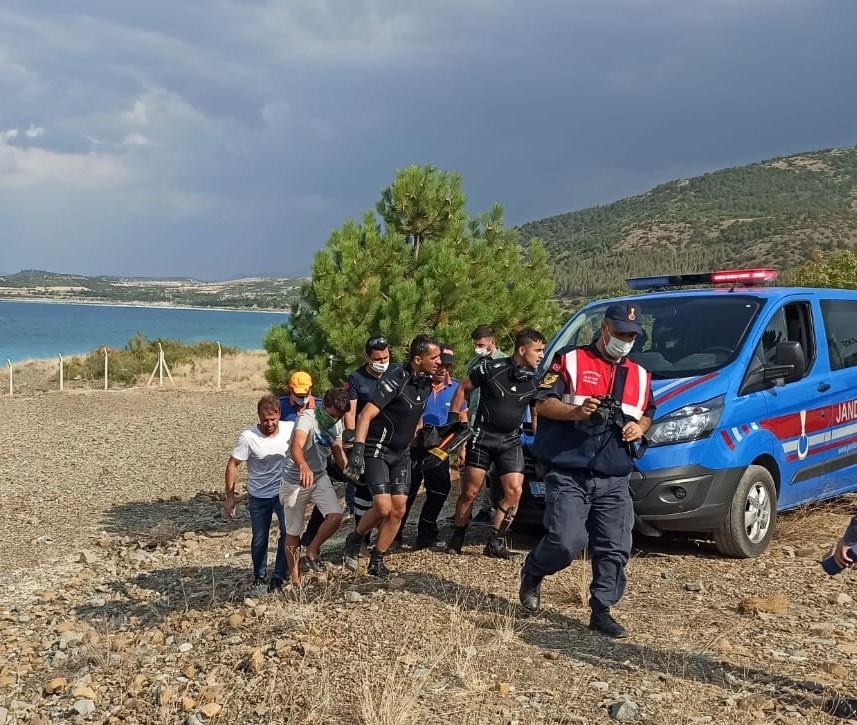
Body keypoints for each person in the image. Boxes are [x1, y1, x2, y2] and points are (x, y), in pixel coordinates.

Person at [519, 303, 654, 638]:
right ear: (605, 328)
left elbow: (649, 411)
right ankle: (534, 570)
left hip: (614, 474)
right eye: (621, 333)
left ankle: (601, 609)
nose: (625, 340)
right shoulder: (570, 360)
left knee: (615, 546)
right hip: (569, 471)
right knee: (567, 541)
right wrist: (578, 412)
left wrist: (640, 427)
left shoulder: (640, 374)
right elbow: (543, 403)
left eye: (632, 336)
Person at [342, 335, 441, 577]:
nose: (439, 362)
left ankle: (377, 559)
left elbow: (414, 415)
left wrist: (425, 437)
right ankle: (355, 538)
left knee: (399, 509)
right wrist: (357, 450)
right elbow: (365, 415)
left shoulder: (426, 383)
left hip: (402, 453)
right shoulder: (395, 379)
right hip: (378, 449)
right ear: (418, 359)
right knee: (384, 507)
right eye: (434, 357)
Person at [446, 328, 546, 559]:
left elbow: (537, 409)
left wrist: (539, 440)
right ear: (522, 350)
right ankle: (458, 535)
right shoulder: (491, 368)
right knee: (470, 492)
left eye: (542, 350)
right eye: (537, 350)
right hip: (482, 439)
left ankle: (495, 541)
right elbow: (463, 387)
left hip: (510, 441)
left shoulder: (536, 380)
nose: (541, 355)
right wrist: (455, 419)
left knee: (514, 491)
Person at [280, 388, 350, 584]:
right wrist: (303, 465)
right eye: (333, 415)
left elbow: (337, 451)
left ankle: (312, 548)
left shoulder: (336, 425)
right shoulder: (307, 419)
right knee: (293, 531)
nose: (335, 420)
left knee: (335, 516)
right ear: (324, 407)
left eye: (339, 417)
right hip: (294, 480)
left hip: (319, 476)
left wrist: (350, 471)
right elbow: (296, 446)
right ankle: (295, 577)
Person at [225, 395, 294, 592]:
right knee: (259, 538)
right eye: (265, 419)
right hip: (258, 495)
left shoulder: (290, 428)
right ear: (259, 416)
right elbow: (233, 464)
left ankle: (279, 575)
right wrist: (230, 495)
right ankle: (260, 575)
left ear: (279, 415)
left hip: (283, 492)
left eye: (273, 419)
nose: (270, 423)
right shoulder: (248, 437)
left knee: (288, 531)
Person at [397, 343, 462, 549]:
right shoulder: (417, 385)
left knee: (440, 490)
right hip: (414, 446)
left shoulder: (456, 389)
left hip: (439, 447)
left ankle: (426, 534)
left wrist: (462, 449)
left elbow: (463, 419)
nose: (443, 370)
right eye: (440, 364)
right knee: (407, 491)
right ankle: (394, 534)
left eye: (447, 366)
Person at [466, 325, 507, 524]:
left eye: (481, 345)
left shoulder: (504, 362)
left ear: (492, 341)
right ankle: (469, 509)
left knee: (493, 469)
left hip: (495, 421)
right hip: (474, 419)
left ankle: (489, 507)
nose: (478, 348)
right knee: (474, 468)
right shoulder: (474, 363)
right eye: (475, 345)